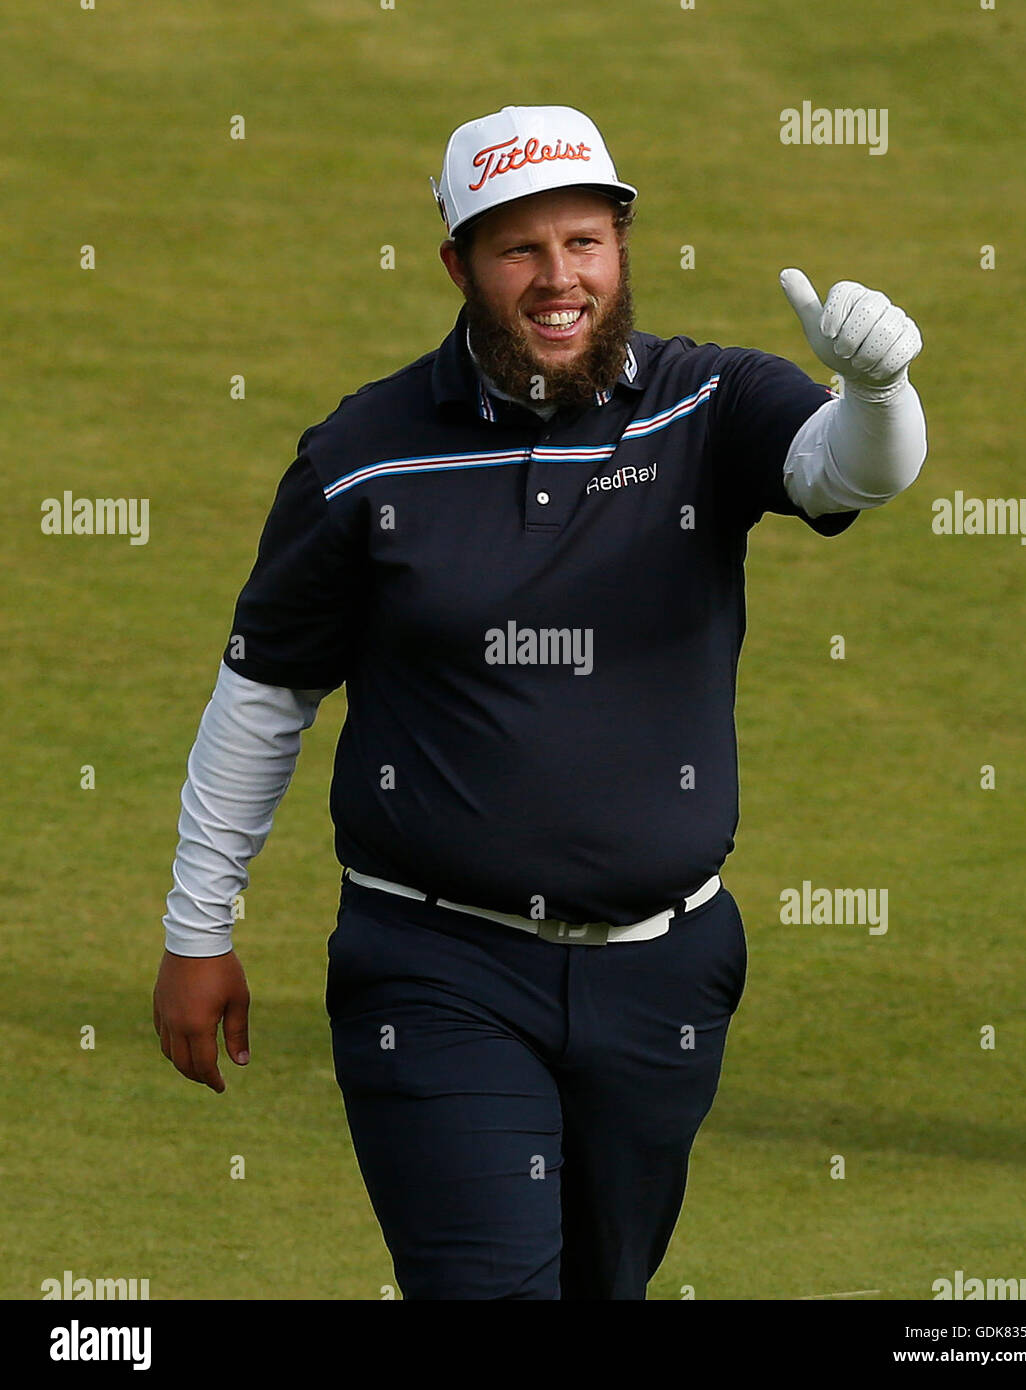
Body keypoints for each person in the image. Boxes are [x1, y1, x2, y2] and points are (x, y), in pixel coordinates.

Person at [153, 105, 927, 1300]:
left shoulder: (703, 402)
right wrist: (197, 930)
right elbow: (263, 692)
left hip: (663, 975)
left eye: (583, 242)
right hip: (435, 961)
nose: (557, 279)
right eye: (519, 249)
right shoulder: (364, 453)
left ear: (620, 248)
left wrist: (879, 393)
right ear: (458, 264)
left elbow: (846, 471)